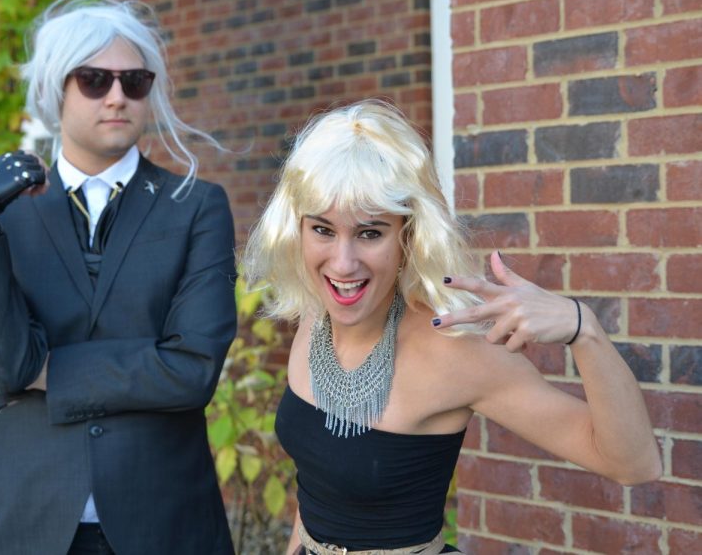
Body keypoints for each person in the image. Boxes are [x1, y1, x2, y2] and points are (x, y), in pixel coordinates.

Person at [242, 99, 661, 555]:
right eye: (323, 230)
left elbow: (633, 464)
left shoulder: (455, 351)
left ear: (407, 235)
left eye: (370, 233)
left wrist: (585, 331)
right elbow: (317, 489)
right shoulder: (314, 316)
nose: (343, 263)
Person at [0, 0, 236, 555]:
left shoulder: (196, 206)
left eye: (134, 82)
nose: (117, 97)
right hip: (29, 521)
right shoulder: (4, 214)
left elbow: (192, 370)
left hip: (165, 523)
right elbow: (5, 365)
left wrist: (47, 372)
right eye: (94, 80)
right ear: (55, 89)